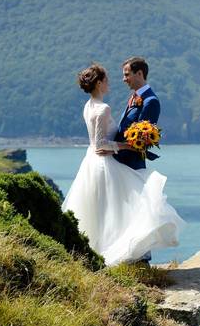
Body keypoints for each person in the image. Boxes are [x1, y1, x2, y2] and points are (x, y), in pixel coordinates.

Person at [60, 63, 184, 266]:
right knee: (123, 213)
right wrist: (122, 146)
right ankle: (128, 258)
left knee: (126, 212)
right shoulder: (110, 105)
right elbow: (105, 141)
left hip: (117, 162)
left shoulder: (148, 101)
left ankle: (132, 259)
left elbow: (142, 138)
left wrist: (125, 146)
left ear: (139, 73)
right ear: (99, 83)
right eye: (111, 78)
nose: (122, 79)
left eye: (126, 74)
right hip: (111, 161)